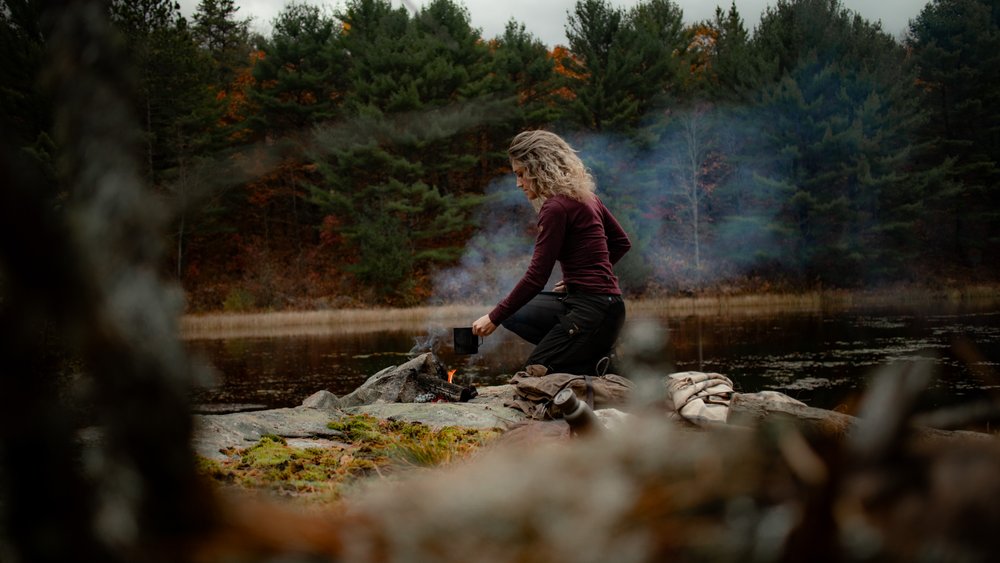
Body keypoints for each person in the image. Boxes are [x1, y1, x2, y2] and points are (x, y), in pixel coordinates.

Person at [472, 130, 632, 376]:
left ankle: (585, 358)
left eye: (522, 174)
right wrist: (574, 281)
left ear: (539, 168)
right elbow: (621, 242)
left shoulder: (556, 207)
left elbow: (536, 277)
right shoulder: (587, 198)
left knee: (535, 374)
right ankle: (584, 356)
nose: (518, 183)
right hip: (607, 307)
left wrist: (492, 318)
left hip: (593, 312)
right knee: (514, 313)